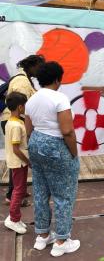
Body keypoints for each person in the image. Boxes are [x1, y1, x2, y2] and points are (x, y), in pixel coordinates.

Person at [25, 62, 80, 257]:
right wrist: (73, 154)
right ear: (58, 79)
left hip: (36, 144)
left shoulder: (32, 99)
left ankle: (42, 236)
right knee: (63, 195)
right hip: (56, 147)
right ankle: (61, 240)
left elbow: (28, 128)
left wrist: (32, 147)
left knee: (40, 192)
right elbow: (67, 131)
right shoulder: (60, 98)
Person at [1, 54, 45, 205]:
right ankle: (13, 195)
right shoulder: (22, 81)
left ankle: (19, 190)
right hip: (15, 122)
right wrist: (28, 128)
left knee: (20, 156)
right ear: (31, 66)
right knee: (18, 158)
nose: (40, 70)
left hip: (17, 121)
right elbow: (21, 107)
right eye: (39, 67)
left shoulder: (25, 79)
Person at [4, 92, 29, 234]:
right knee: (18, 191)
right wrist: (28, 161)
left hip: (20, 163)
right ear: (20, 107)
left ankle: (16, 217)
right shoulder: (16, 126)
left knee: (20, 189)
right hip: (18, 163)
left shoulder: (15, 121)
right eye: (24, 106)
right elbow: (16, 149)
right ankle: (13, 219)